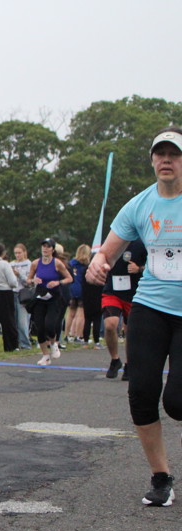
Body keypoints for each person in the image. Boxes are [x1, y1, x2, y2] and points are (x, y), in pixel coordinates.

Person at [86, 127, 182, 507]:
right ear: (152, 159)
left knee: (177, 402)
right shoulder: (140, 205)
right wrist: (98, 263)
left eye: (174, 154)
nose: (166, 160)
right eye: (160, 154)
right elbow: (106, 252)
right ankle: (161, 478)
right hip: (150, 308)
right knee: (141, 392)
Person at [100, 239, 146, 380]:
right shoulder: (112, 241)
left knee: (130, 331)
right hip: (112, 291)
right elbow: (101, 258)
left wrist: (139, 269)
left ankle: (129, 364)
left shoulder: (141, 243)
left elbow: (153, 266)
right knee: (110, 325)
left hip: (134, 293)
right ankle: (115, 360)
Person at [28, 238, 72, 365]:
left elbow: (69, 278)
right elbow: (28, 279)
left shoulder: (57, 263)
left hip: (54, 297)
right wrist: (33, 281)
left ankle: (53, 343)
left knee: (49, 325)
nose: (45, 249)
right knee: (40, 328)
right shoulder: (35, 263)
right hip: (40, 297)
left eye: (48, 247)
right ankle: (45, 356)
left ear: (53, 249)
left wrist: (58, 282)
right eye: (43, 246)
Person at [10, 243, 34, 349]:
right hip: (12, 292)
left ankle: (25, 343)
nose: (17, 255)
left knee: (22, 321)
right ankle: (16, 342)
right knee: (13, 320)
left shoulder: (29, 264)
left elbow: (30, 282)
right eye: (15, 253)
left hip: (23, 294)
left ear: (24, 252)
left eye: (19, 253)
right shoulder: (11, 264)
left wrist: (19, 274)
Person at [65, 244, 90, 342]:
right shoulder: (85, 266)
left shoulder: (71, 263)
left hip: (71, 288)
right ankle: (78, 336)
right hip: (81, 289)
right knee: (81, 313)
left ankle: (66, 335)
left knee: (70, 313)